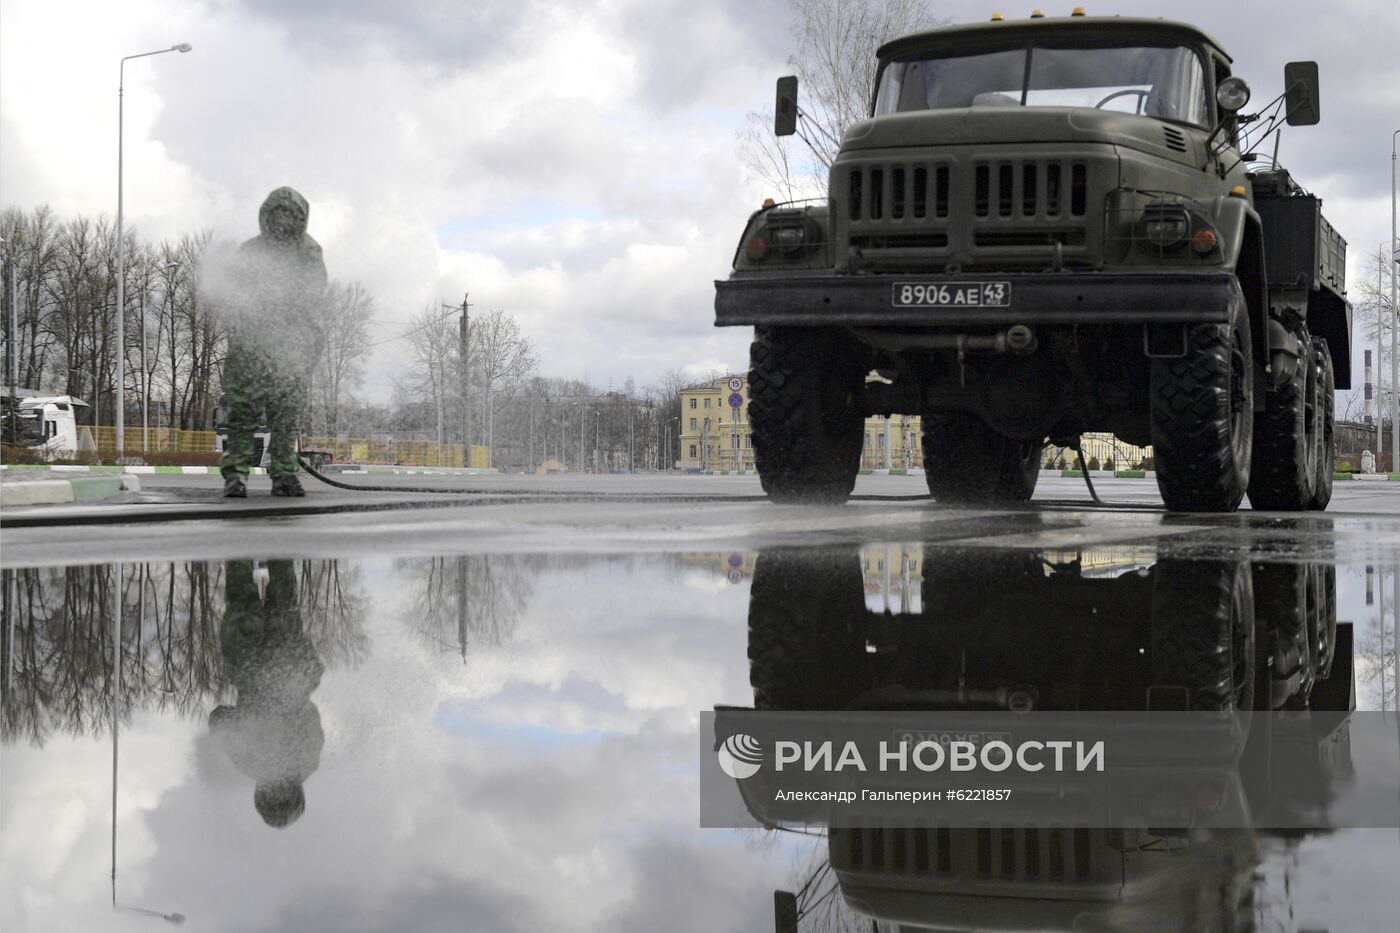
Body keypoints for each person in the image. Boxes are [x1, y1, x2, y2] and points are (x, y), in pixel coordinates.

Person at [219, 186, 327, 497]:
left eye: (290, 215)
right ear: (267, 216)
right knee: (242, 412)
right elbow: (234, 294)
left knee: (286, 411)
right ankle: (235, 476)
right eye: (277, 214)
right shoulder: (250, 252)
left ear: (300, 220)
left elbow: (312, 295)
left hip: (291, 344)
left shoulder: (308, 253)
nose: (283, 221)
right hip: (251, 344)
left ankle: (283, 474)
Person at [209, 559, 325, 828]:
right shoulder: (250, 763)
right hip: (252, 671)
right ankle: (239, 559)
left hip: (293, 665)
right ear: (261, 795)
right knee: (242, 609)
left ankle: (280, 554)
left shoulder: (308, 761)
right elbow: (219, 719)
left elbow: (312, 715)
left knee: (283, 605)